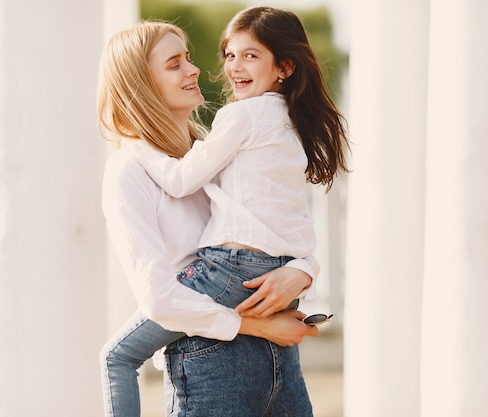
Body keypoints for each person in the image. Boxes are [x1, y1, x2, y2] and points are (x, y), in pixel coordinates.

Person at [129, 6, 350, 416]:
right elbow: (286, 218)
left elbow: (179, 181)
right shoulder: (292, 122)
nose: (234, 67)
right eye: (230, 55)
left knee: (121, 353)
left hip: (233, 269)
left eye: (250, 56)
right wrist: (304, 267)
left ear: (284, 67)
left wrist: (137, 145)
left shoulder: (241, 115)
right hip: (278, 269)